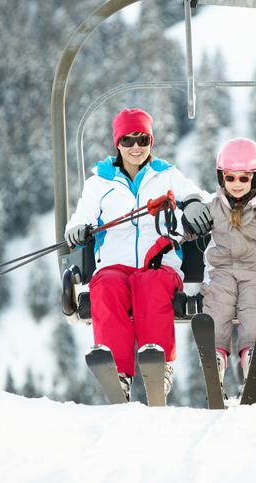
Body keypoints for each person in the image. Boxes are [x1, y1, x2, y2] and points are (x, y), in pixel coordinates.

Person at [64, 108, 212, 403]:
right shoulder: (100, 183)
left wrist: (194, 204)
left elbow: (201, 198)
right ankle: (118, 372)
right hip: (115, 265)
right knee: (104, 286)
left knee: (150, 285)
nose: (136, 147)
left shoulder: (166, 174)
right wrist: (78, 230)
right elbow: (78, 220)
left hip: (160, 262)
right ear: (117, 143)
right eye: (128, 140)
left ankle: (158, 362)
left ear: (150, 141)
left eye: (142, 140)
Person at [199, 138, 256, 390]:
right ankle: (215, 355)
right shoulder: (212, 205)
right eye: (230, 178)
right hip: (221, 272)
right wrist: (180, 225)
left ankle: (252, 354)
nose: (236, 184)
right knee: (218, 304)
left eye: (243, 178)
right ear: (221, 178)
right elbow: (188, 228)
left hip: (252, 272)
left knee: (252, 307)